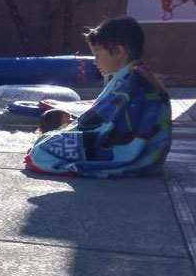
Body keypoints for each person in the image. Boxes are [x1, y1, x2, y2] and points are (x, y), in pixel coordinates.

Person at [26, 16, 172, 177]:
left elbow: (104, 126)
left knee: (43, 147)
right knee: (48, 139)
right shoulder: (136, 75)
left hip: (131, 154)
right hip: (148, 154)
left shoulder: (133, 82)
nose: (95, 61)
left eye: (97, 54)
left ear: (118, 51)